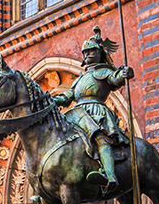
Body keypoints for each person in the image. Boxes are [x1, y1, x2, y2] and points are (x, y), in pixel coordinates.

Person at [53, 27, 134, 191]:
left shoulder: (103, 71)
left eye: (91, 51)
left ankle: (110, 175)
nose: (87, 55)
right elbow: (69, 96)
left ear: (99, 53)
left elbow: (114, 79)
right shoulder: (80, 79)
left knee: (100, 137)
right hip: (76, 113)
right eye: (85, 52)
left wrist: (124, 74)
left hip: (96, 112)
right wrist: (53, 99)